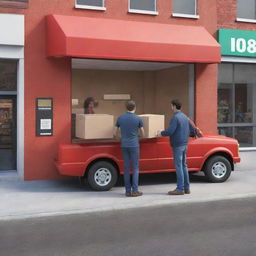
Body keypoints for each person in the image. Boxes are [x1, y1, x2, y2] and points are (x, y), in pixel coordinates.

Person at [159, 99, 195, 195]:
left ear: (174, 106)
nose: (171, 107)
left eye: (171, 106)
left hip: (178, 145)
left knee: (179, 166)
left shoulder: (175, 117)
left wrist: (161, 133)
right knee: (184, 165)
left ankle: (180, 189)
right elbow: (192, 129)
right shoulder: (184, 116)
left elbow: (170, 131)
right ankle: (187, 188)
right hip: (184, 144)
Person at [114, 100, 145, 197]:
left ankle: (127, 191)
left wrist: (120, 139)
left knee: (126, 168)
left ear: (126, 108)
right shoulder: (138, 118)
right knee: (135, 168)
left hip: (124, 145)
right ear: (135, 107)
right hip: (134, 145)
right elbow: (143, 133)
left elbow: (115, 133)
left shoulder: (120, 118)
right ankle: (135, 190)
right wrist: (138, 137)